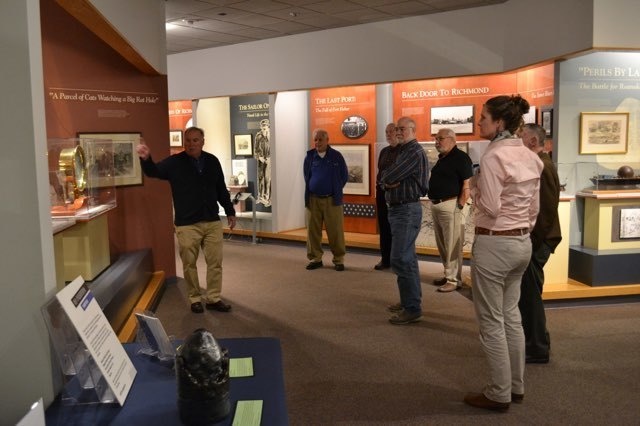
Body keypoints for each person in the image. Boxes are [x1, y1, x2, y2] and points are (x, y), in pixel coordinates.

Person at [464, 95, 543, 411]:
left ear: (499, 123)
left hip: (495, 242)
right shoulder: (531, 157)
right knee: (511, 316)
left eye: (483, 117)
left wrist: (474, 187)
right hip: (522, 242)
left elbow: (492, 207)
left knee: (491, 321)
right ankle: (515, 386)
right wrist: (520, 229)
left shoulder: (494, 157)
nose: (478, 122)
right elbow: (533, 210)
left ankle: (498, 393)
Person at [136, 126, 237, 314]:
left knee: (215, 262)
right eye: (188, 140)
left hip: (212, 221)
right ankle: (195, 298)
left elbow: (221, 189)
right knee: (189, 264)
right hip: (187, 224)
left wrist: (230, 211)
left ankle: (213, 298)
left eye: (195, 140)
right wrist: (146, 158)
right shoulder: (175, 163)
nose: (191, 144)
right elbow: (154, 171)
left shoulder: (213, 161)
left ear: (202, 141)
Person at [518, 123, 562, 364]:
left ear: (533, 142)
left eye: (521, 138)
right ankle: (537, 341)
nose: (518, 142)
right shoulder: (542, 163)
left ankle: (537, 347)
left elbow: (545, 211)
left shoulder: (542, 166)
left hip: (539, 240)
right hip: (538, 239)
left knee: (530, 295)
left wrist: (532, 244)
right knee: (529, 293)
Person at [382, 117, 429, 325]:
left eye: (401, 129)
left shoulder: (414, 151)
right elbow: (383, 177)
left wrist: (389, 178)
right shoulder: (403, 151)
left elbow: (390, 174)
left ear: (412, 129)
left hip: (406, 210)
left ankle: (412, 308)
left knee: (400, 258)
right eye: (396, 129)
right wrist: (387, 179)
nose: (397, 132)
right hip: (398, 210)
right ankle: (409, 302)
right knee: (407, 258)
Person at [428, 128, 473, 292]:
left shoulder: (461, 158)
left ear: (452, 139)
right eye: (436, 139)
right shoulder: (442, 159)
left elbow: (467, 185)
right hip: (438, 205)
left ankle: (454, 280)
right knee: (443, 245)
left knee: (453, 244)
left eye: (440, 138)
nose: (437, 142)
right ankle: (448, 275)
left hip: (452, 205)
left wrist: (459, 207)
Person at [303, 129, 349, 271]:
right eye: (315, 140)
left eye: (320, 140)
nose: (317, 143)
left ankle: (338, 260)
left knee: (335, 231)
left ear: (327, 140)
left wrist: (333, 188)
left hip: (332, 200)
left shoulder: (336, 156)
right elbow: (306, 176)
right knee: (313, 231)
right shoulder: (310, 157)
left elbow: (344, 176)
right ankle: (315, 258)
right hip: (313, 199)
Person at [373, 122, 400, 271]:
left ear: (398, 132)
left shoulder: (404, 152)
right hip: (382, 194)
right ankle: (385, 259)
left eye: (391, 131)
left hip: (397, 195)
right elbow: (380, 172)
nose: (388, 134)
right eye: (386, 132)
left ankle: (397, 260)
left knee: (397, 229)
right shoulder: (384, 152)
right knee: (384, 227)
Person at [254, 119, 271, 207]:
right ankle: (260, 196)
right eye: (262, 127)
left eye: (265, 127)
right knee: (260, 177)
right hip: (261, 160)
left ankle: (267, 198)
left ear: (268, 127)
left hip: (269, 160)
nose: (263, 128)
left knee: (268, 179)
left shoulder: (271, 135)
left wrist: (270, 158)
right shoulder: (258, 136)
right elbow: (255, 149)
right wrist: (259, 157)